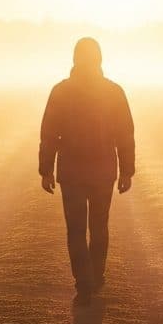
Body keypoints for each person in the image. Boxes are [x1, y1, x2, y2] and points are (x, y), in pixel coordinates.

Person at [39, 37, 135, 306]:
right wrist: (126, 171)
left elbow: (49, 134)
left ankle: (84, 283)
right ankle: (95, 276)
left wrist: (46, 170)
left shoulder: (61, 91)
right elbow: (125, 134)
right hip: (103, 171)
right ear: (99, 59)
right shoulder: (113, 91)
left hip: (71, 172)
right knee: (99, 225)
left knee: (76, 229)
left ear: (74, 59)